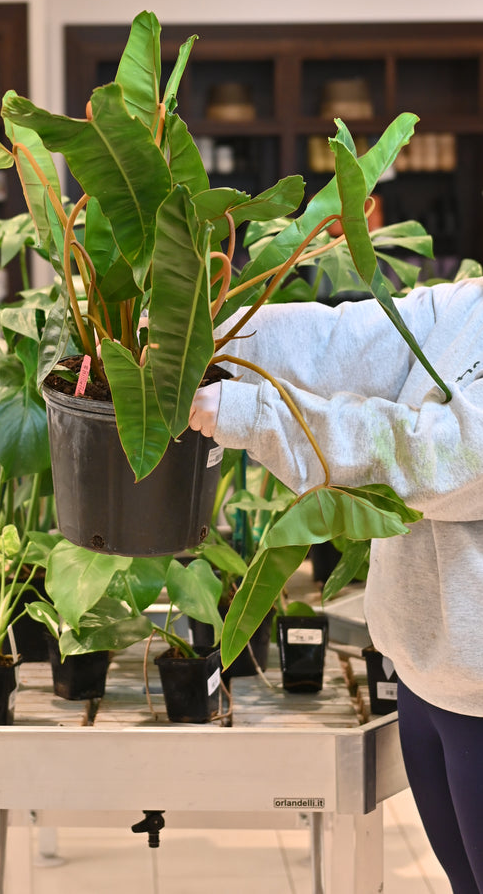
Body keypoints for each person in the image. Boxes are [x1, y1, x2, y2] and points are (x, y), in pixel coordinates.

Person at [188, 277, 483, 894]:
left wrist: (251, 415)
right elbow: (346, 339)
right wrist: (198, 337)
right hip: (427, 676)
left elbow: (438, 457)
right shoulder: (471, 306)